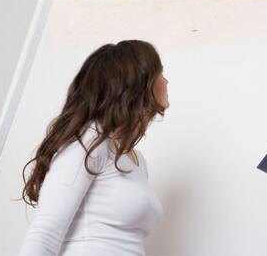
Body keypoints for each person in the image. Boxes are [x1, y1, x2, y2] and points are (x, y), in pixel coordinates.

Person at [19, 40, 169, 256]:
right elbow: (45, 232)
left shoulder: (136, 160)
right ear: (139, 83)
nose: (166, 81)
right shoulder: (90, 140)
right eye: (160, 73)